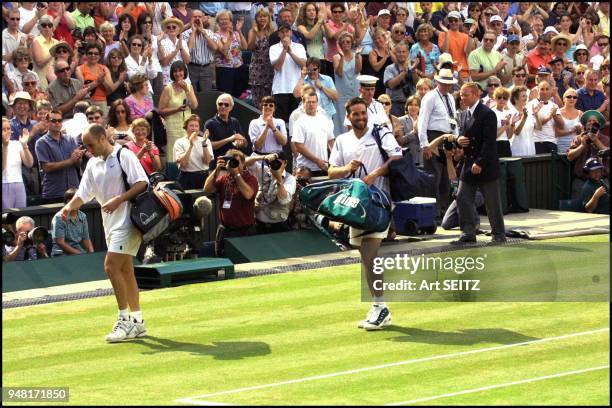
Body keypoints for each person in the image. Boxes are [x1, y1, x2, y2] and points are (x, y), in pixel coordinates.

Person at [61, 124, 149, 342]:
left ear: (102, 138)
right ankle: (137, 321)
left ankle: (124, 320)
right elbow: (84, 194)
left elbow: (142, 182)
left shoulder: (124, 155)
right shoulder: (92, 163)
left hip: (128, 221)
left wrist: (119, 199)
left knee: (111, 266)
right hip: (109, 223)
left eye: (90, 144)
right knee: (126, 270)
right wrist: (68, 207)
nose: (88, 149)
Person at [328, 97, 402, 330]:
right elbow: (331, 171)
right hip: (353, 206)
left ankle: (381, 307)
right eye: (356, 114)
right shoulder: (341, 140)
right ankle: (378, 306)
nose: (361, 117)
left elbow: (397, 158)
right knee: (366, 258)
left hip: (378, 203)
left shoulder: (380, 133)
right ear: (348, 117)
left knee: (370, 256)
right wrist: (346, 169)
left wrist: (374, 175)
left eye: (363, 113)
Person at [453, 82, 506, 245]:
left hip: (485, 164)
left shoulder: (487, 113)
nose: (462, 97)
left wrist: (480, 163)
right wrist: (459, 140)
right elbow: (465, 136)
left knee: (492, 202)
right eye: (461, 94)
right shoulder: (464, 113)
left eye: (465, 94)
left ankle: (498, 235)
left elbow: (489, 142)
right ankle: (468, 232)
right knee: (462, 196)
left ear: (476, 95)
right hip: (469, 163)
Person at [418, 68, 458, 222]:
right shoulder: (430, 97)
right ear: (437, 82)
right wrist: (425, 144)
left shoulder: (451, 98)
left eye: (449, 84)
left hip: (448, 137)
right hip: (433, 136)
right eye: (444, 83)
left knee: (446, 178)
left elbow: (453, 119)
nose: (447, 86)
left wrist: (456, 140)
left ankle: (443, 212)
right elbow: (423, 121)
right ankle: (433, 214)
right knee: (434, 177)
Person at [203, 149, 258, 257]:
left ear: (243, 163)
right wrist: (216, 170)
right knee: (223, 261)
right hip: (225, 230)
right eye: (232, 162)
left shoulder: (250, 178)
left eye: (237, 162)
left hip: (244, 231)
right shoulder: (224, 178)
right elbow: (207, 189)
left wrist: (237, 175)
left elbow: (248, 194)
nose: (234, 165)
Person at [35, 110, 83, 203]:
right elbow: (46, 167)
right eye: (53, 120)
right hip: (54, 193)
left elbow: (78, 164)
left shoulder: (70, 139)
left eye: (59, 120)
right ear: (47, 122)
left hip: (74, 191)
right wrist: (71, 161)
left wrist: (78, 157)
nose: (57, 123)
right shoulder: (41, 142)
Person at [246, 151, 296, 234]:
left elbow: (284, 200)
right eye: (273, 162)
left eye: (278, 162)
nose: (275, 165)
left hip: (278, 226)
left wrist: (279, 179)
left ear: (285, 163)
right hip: (259, 224)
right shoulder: (264, 171)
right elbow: (246, 162)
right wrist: (263, 157)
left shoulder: (290, 179)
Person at [158, 61, 198, 162]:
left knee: (187, 151)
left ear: (184, 72)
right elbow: (161, 110)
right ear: (172, 73)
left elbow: (194, 105)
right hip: (172, 127)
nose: (178, 73)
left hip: (187, 127)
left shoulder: (189, 87)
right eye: (175, 71)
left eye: (180, 71)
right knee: (174, 153)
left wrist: (186, 89)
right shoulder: (168, 88)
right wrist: (177, 109)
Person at [269, 22, 307, 124]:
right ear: (278, 34)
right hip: (280, 89)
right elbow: (277, 66)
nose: (285, 34)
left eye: (287, 31)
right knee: (280, 122)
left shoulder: (299, 47)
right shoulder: (273, 48)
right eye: (282, 32)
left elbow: (303, 64)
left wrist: (290, 52)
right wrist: (284, 49)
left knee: (297, 122)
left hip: (297, 89)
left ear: (291, 32)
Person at [567, 110, 609, 198]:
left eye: (594, 121)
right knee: (577, 209)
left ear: (599, 125)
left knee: (603, 208)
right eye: (589, 121)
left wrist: (596, 141)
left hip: (602, 182)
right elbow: (570, 157)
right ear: (585, 125)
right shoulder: (578, 138)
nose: (591, 123)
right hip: (581, 181)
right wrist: (582, 145)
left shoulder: (606, 139)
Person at [292, 91, 335, 177]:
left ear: (317, 103)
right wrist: (317, 161)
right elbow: (299, 147)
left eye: (313, 102)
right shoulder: (299, 122)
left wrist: (335, 160)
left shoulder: (325, 119)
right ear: (303, 103)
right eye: (308, 102)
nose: (311, 104)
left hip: (323, 167)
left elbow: (331, 141)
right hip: (305, 169)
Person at [332, 32, 361, 136]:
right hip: (342, 92)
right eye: (343, 42)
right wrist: (341, 58)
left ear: (351, 43)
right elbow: (339, 73)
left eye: (348, 42)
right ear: (340, 44)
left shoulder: (357, 55)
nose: (346, 44)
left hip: (355, 91)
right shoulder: (336, 57)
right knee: (342, 120)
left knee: (356, 116)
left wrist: (357, 56)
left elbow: (358, 70)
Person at [181, 10, 217, 93]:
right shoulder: (186, 34)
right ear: (190, 19)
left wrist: (203, 33)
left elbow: (215, 47)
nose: (197, 19)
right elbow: (188, 50)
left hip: (206, 68)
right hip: (191, 68)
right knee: (191, 94)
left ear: (203, 18)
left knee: (206, 95)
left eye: (199, 17)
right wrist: (193, 31)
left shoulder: (209, 33)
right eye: (195, 17)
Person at [213, 10, 247, 97]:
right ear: (218, 21)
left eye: (226, 19)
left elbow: (245, 47)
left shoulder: (236, 33)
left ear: (230, 21)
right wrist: (230, 39)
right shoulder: (215, 36)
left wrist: (239, 31)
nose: (224, 21)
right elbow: (223, 51)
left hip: (238, 67)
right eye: (221, 19)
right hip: (224, 69)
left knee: (238, 95)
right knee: (226, 95)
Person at [204, 93, 249, 160]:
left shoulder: (235, 121)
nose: (223, 106)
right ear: (217, 106)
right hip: (219, 161)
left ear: (231, 108)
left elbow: (246, 143)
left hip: (235, 161)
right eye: (220, 104)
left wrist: (241, 142)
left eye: (226, 104)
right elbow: (209, 145)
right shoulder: (210, 123)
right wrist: (230, 139)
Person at [51, 188, 94, 256]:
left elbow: (86, 239)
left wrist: (92, 254)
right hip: (60, 253)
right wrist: (79, 254)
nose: (74, 203)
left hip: (78, 251)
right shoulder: (58, 217)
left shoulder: (83, 216)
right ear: (66, 202)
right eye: (70, 200)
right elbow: (60, 242)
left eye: (76, 201)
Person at [174, 114, 212, 190]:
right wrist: (191, 144)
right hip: (187, 178)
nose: (194, 128)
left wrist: (204, 144)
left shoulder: (206, 140)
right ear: (186, 127)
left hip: (204, 176)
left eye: (196, 126)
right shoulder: (179, 142)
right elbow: (183, 163)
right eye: (191, 126)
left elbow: (207, 161)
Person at [3, 116, 33, 210]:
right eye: (3, 129)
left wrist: (24, 145)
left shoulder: (16, 144)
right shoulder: (6, 145)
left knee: (21, 216)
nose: (7, 131)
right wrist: (5, 146)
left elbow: (29, 163)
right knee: (6, 219)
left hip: (19, 184)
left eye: (8, 128)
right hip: (3, 185)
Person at [247, 8, 274, 107]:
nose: (262, 18)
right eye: (259, 16)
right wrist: (255, 31)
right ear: (256, 18)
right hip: (256, 67)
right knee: (257, 96)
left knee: (268, 97)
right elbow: (250, 47)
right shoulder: (252, 31)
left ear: (268, 18)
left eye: (264, 16)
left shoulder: (273, 31)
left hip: (269, 67)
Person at [76, 43, 113, 116]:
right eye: (90, 53)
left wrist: (103, 81)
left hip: (102, 102)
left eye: (96, 54)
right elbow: (82, 89)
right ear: (86, 54)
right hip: (86, 102)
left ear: (100, 56)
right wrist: (97, 82)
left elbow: (111, 89)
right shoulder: (79, 69)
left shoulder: (104, 69)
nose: (93, 55)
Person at [528, 80, 564, 154]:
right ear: (538, 90)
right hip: (537, 142)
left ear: (550, 91)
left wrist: (554, 115)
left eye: (547, 89)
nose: (544, 92)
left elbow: (562, 125)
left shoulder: (554, 105)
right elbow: (535, 125)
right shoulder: (531, 104)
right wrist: (549, 116)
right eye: (542, 89)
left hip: (551, 142)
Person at [438, 10, 471, 80]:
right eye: (451, 20)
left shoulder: (465, 36)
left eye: (455, 20)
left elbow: (467, 52)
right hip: (448, 72)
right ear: (448, 22)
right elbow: (445, 52)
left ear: (460, 21)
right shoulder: (442, 34)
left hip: (463, 73)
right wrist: (447, 33)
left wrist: (470, 36)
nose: (453, 22)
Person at [158, 16, 191, 87]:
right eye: (168, 27)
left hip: (183, 78)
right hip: (168, 79)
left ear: (179, 29)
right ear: (166, 30)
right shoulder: (162, 43)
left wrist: (181, 48)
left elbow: (187, 61)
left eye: (174, 27)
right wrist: (176, 50)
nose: (171, 29)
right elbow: (164, 62)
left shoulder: (183, 42)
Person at [31, 16, 59, 92]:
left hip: (55, 77)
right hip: (41, 78)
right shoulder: (36, 41)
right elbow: (39, 63)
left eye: (49, 25)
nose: (47, 27)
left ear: (52, 27)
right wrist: (54, 50)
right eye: (44, 25)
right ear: (40, 27)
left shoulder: (56, 42)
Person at [383, 42, 412, 117]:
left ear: (408, 53)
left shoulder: (412, 67)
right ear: (395, 53)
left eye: (403, 52)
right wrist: (403, 73)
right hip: (394, 105)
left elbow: (418, 83)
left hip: (411, 105)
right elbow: (390, 85)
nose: (401, 54)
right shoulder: (389, 68)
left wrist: (414, 71)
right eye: (399, 52)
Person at [491, 87, 518, 158]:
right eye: (499, 97)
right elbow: (493, 136)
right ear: (495, 98)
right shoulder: (491, 112)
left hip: (506, 144)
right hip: (496, 145)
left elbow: (509, 136)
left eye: (505, 98)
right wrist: (505, 126)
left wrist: (512, 124)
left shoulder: (507, 113)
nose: (502, 100)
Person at [509, 86, 536, 156]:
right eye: (523, 96)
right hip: (518, 152)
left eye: (526, 96)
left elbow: (539, 128)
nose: (526, 98)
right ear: (515, 99)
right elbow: (516, 132)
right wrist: (524, 118)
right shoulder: (511, 113)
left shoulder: (529, 111)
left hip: (531, 151)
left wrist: (536, 115)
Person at [556, 89, 584, 154]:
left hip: (575, 148)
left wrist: (579, 131)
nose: (572, 99)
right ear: (563, 99)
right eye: (569, 97)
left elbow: (582, 133)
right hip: (561, 146)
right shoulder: (558, 112)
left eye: (574, 97)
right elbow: (556, 133)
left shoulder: (580, 113)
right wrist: (572, 130)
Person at [397, 96, 423, 166]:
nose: (413, 107)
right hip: (408, 159)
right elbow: (400, 141)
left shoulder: (424, 120)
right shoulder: (400, 120)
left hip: (423, 159)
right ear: (406, 106)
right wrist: (413, 132)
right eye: (411, 105)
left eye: (416, 105)